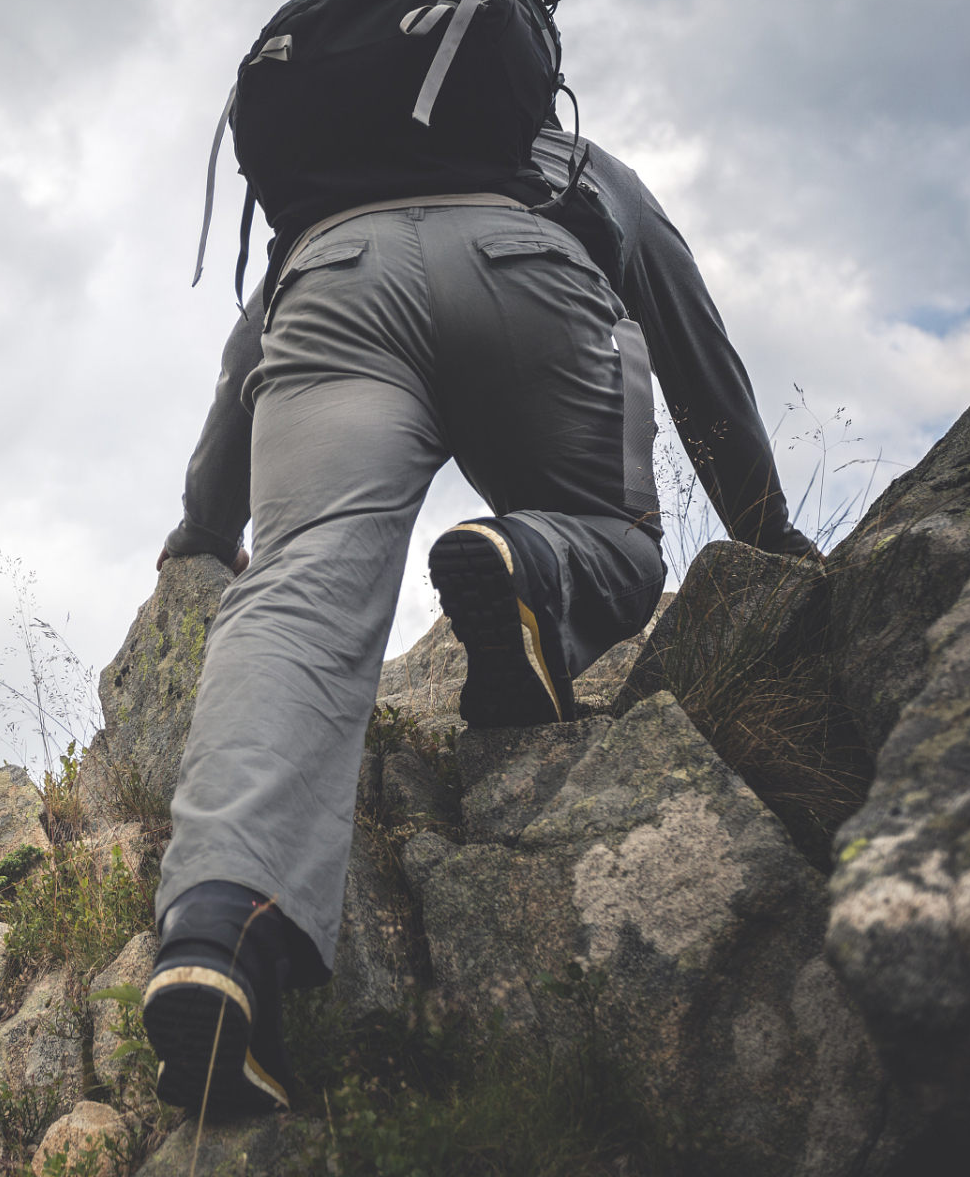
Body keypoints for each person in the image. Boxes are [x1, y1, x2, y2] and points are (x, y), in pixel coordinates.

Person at [140, 107, 821, 1115]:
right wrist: (771, 538)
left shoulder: (334, 179)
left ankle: (217, 928)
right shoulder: (580, 164)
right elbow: (699, 359)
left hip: (336, 289)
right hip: (528, 265)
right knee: (615, 539)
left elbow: (247, 366)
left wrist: (201, 528)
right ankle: (536, 566)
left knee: (296, 594)